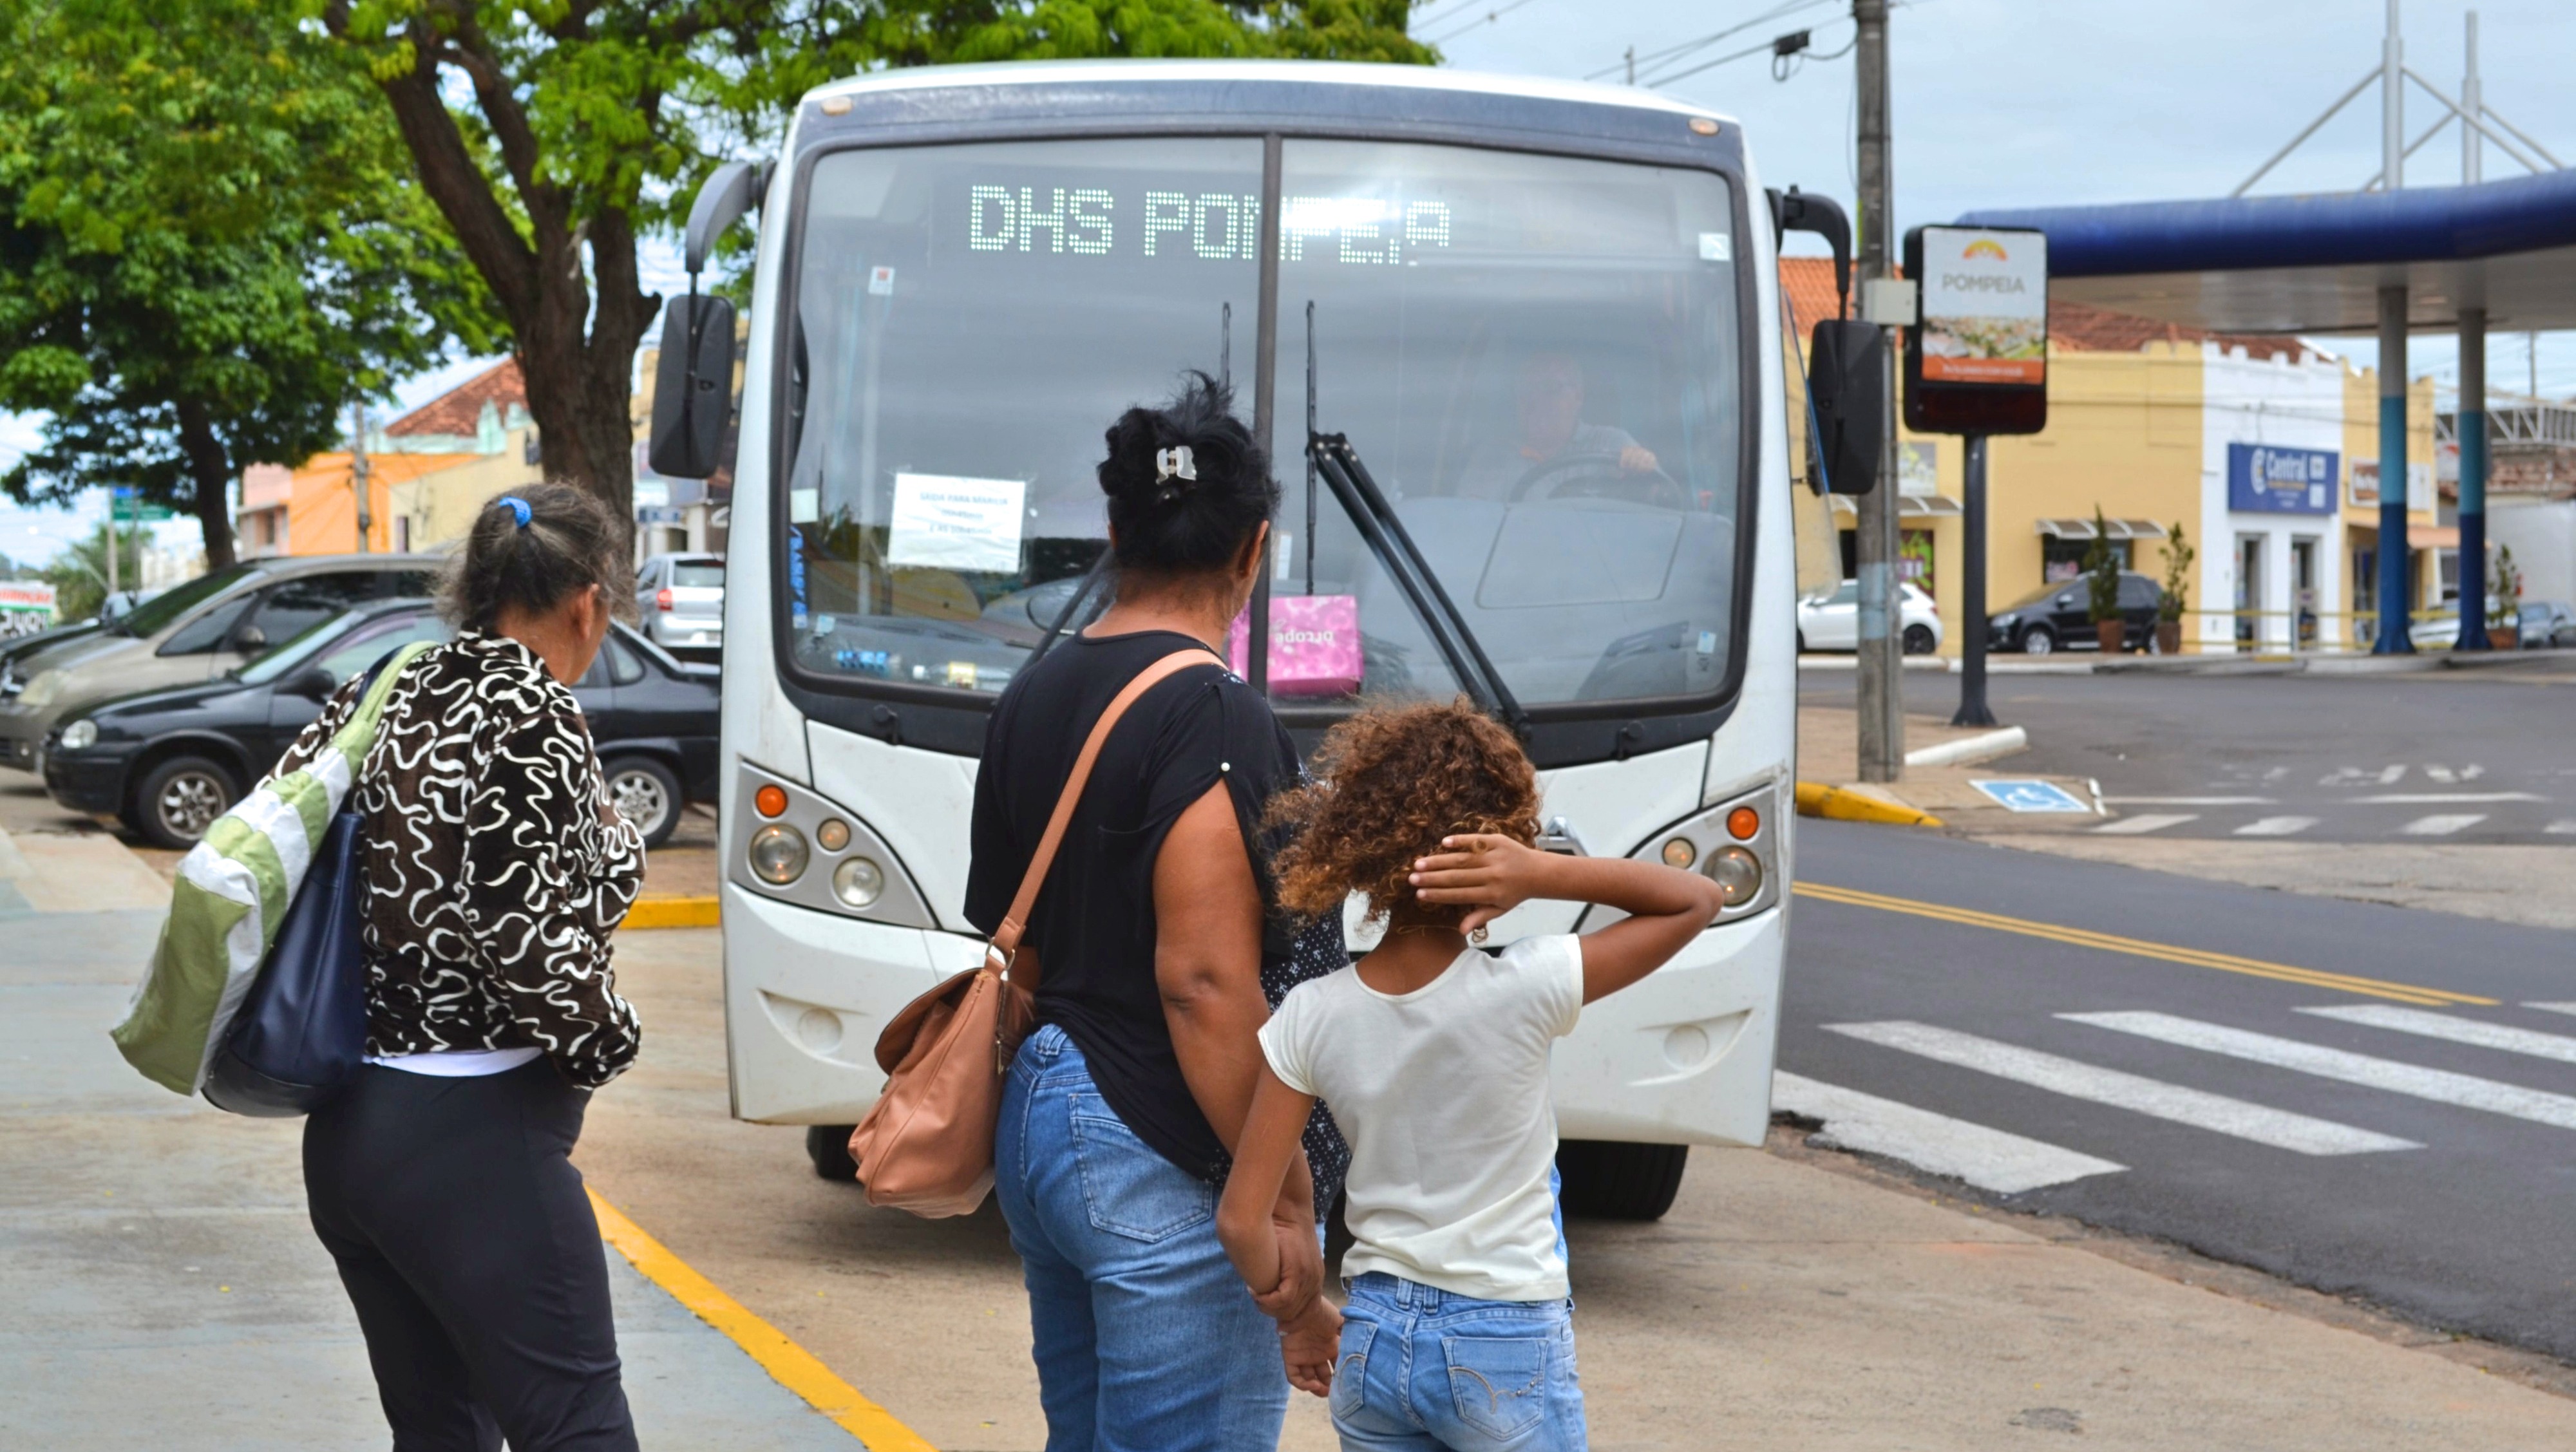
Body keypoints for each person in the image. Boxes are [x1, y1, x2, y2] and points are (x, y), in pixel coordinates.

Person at [967, 372, 1345, 1451]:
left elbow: (1019, 942)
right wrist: (1277, 1195)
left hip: (1042, 1118)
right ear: (1252, 551)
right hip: (1162, 1137)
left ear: (1115, 530)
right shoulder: (1214, 712)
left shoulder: (1033, 694)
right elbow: (1204, 981)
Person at [1218, 700, 1727, 1450]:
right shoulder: (1528, 983)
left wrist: (1298, 1320)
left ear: (1355, 843)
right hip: (1503, 1333)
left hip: (1373, 1333)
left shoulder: (1311, 1012)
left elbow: (1240, 1218)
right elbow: (1697, 897)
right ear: (1504, 841)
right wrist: (1540, 874)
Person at [282, 482, 648, 1451]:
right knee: (580, 1428)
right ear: (588, 600)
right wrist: (611, 1037)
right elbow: (520, 929)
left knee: (442, 1436)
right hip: (471, 1136)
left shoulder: (382, 682)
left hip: (353, 1132)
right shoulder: (533, 707)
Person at [1450, 353, 1660, 502]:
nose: (1537, 400)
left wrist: (1642, 467)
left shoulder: (1613, 445)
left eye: (1551, 389)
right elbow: (1472, 525)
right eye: (1527, 390)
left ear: (1578, 397)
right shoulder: (1493, 457)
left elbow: (1661, 499)